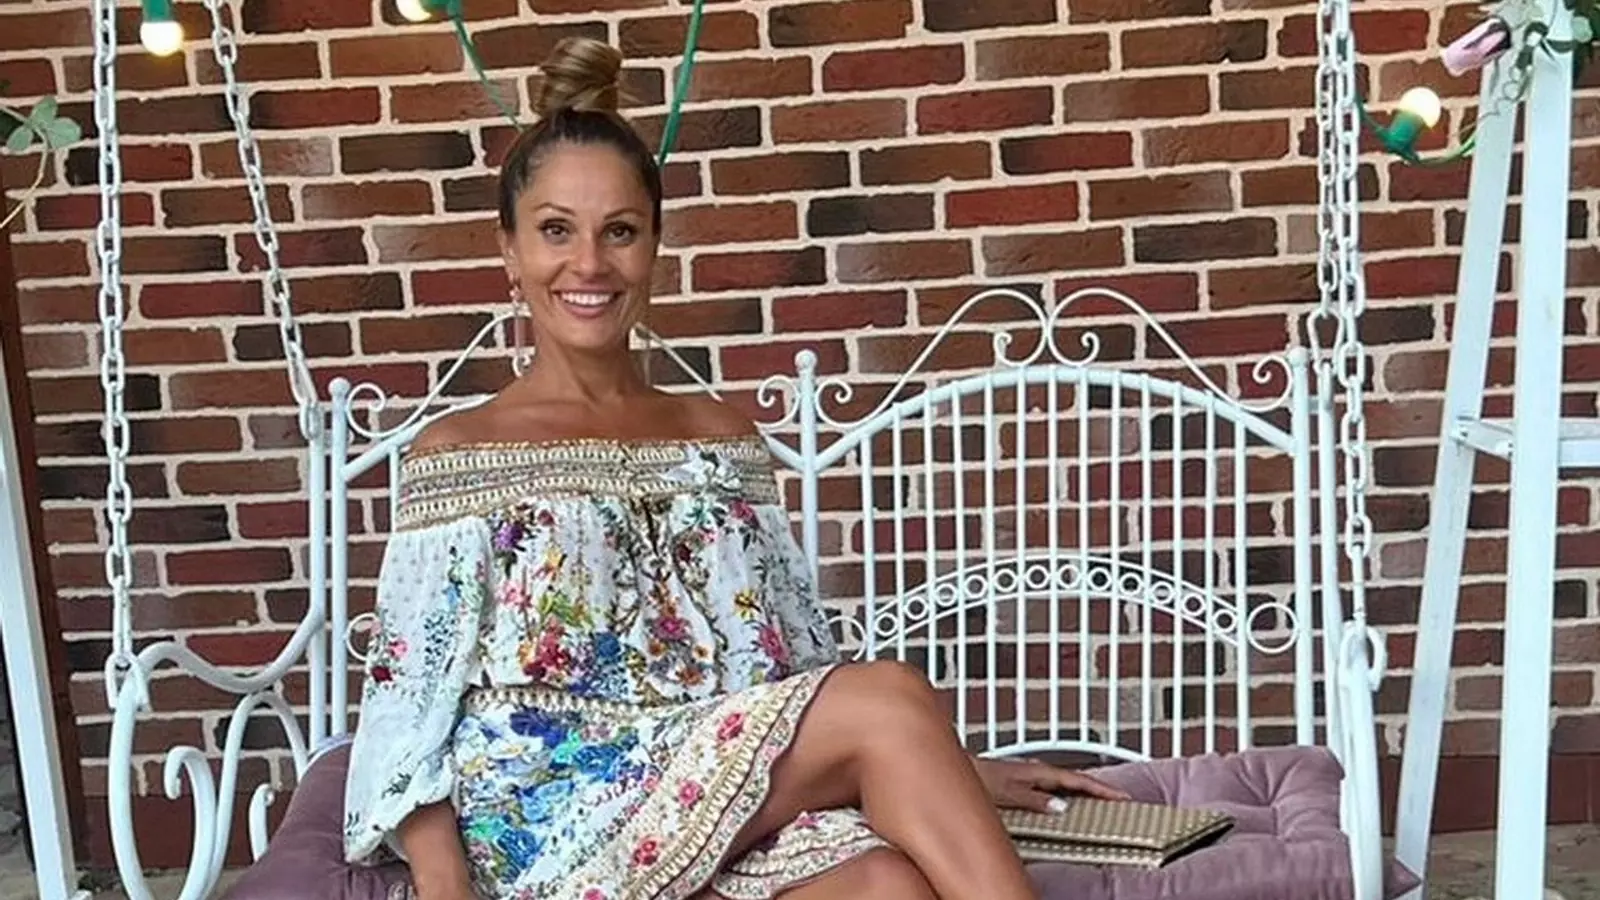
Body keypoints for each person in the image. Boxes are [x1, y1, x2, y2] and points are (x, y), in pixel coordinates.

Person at [341, 36, 1127, 900]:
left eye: (621, 232)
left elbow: (802, 672)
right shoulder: (461, 452)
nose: (590, 264)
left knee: (886, 885)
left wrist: (945, 766)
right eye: (556, 230)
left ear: (654, 247)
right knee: (892, 697)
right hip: (551, 809)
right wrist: (445, 888)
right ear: (509, 250)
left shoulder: (717, 438)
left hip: (718, 789)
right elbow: (406, 707)